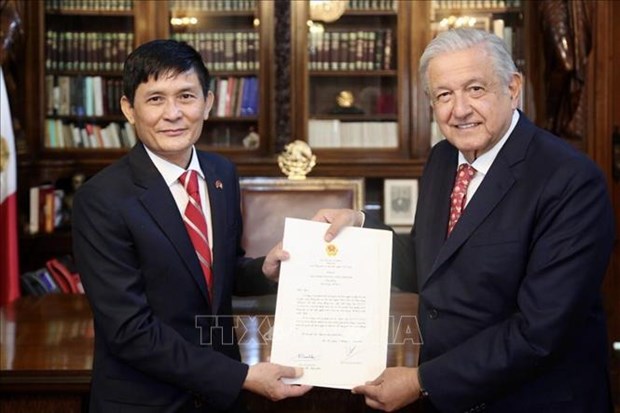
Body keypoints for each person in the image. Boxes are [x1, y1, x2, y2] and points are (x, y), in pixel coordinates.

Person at [266, 28, 616, 412]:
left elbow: (539, 331)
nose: (459, 109)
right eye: (444, 95)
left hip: (532, 402)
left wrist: (422, 382)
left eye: (475, 89)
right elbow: (430, 262)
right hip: (451, 399)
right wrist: (356, 232)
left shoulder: (570, 180)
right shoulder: (443, 159)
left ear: (513, 88)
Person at [72, 39, 311, 412]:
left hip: (219, 403)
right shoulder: (101, 199)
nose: (173, 114)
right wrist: (240, 377)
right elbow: (129, 331)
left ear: (208, 103)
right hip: (147, 402)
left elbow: (217, 272)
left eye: (186, 96)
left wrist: (264, 270)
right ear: (129, 109)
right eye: (155, 99)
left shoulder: (221, 173)